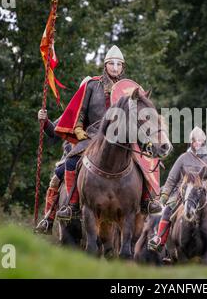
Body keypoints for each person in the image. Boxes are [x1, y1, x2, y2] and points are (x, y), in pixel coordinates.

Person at [54, 45, 161, 220]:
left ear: (123, 67)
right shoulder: (92, 85)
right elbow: (81, 111)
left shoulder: (129, 91)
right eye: (112, 64)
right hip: (93, 136)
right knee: (72, 161)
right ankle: (72, 205)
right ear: (105, 65)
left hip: (122, 137)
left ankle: (147, 201)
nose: (115, 67)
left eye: (119, 64)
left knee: (142, 162)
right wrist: (79, 130)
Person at [147, 127, 207, 257]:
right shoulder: (183, 158)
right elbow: (171, 179)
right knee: (168, 210)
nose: (197, 143)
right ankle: (159, 239)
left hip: (204, 194)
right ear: (191, 142)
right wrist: (163, 197)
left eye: (199, 141)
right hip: (183, 193)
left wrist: (202, 184)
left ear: (203, 142)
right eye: (194, 141)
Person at [34, 109, 72, 234]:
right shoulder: (75, 107)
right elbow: (54, 131)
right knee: (55, 180)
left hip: (97, 156)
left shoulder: (112, 106)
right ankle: (48, 219)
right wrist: (45, 121)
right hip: (71, 155)